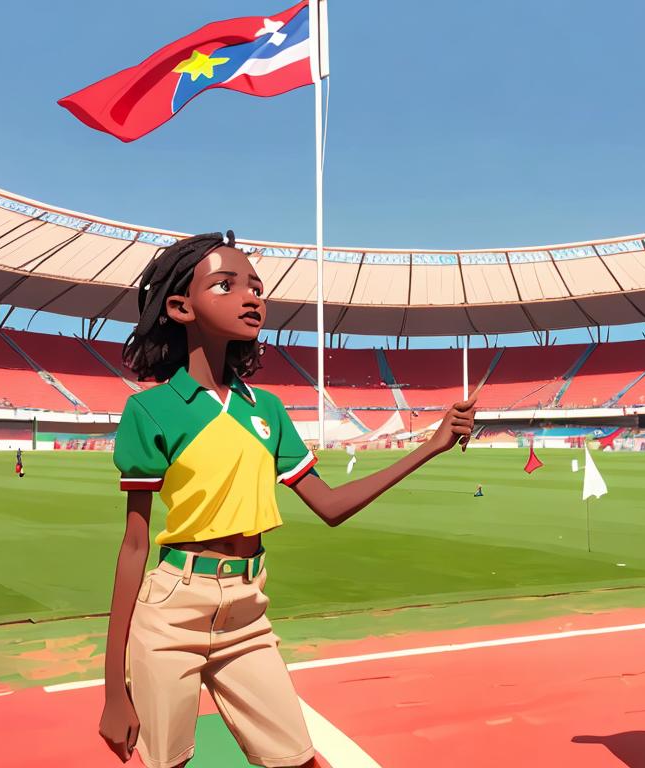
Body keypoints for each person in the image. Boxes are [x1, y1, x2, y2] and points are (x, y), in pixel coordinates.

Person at [100, 232, 476, 768]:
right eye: (226, 285)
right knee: (170, 763)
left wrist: (432, 446)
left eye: (256, 286)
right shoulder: (151, 410)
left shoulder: (269, 411)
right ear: (181, 307)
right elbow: (134, 545)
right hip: (171, 610)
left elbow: (330, 507)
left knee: (298, 759)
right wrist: (114, 688)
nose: (252, 297)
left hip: (248, 612)